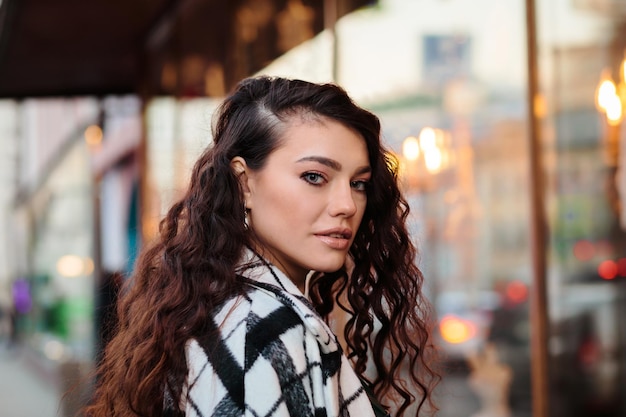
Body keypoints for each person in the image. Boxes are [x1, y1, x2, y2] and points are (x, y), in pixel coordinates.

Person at [84, 76, 439, 417]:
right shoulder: (263, 327)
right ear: (244, 184)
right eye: (315, 177)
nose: (346, 204)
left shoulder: (221, 305)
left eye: (359, 183)